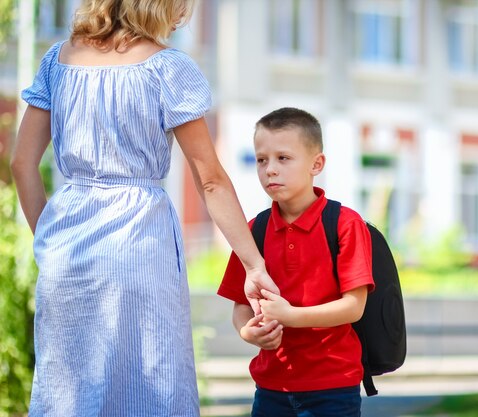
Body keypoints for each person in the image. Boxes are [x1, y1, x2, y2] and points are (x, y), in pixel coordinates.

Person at [9, 1, 278, 415]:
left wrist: (49, 239)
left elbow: (22, 164)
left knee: (67, 392)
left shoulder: (57, 62)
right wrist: (253, 264)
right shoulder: (167, 68)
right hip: (140, 241)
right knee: (150, 385)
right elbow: (209, 179)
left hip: (65, 250)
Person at [217, 107, 375, 417]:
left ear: (317, 164)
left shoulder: (345, 224)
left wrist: (291, 316)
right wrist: (246, 332)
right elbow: (241, 306)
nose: (270, 170)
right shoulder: (254, 230)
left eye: (283, 158)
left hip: (332, 388)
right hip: (271, 387)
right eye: (262, 160)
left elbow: (354, 307)